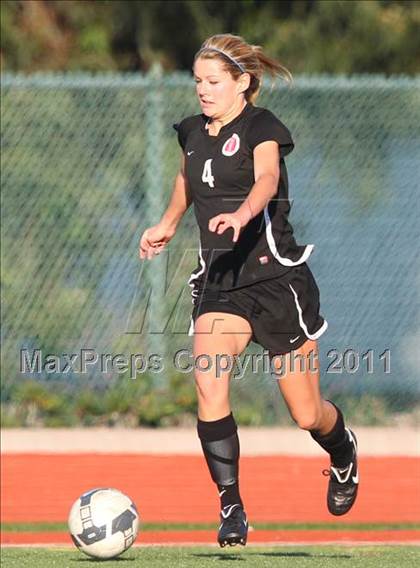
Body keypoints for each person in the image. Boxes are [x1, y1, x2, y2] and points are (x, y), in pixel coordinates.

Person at [139, 33, 359, 548]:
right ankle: (231, 507)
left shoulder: (262, 127)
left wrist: (241, 215)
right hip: (221, 282)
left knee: (307, 414)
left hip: (277, 283)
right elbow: (187, 179)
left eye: (214, 81)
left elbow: (266, 179)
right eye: (198, 81)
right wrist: (168, 223)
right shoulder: (192, 131)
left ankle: (343, 449)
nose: (203, 89)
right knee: (208, 381)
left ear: (242, 82)